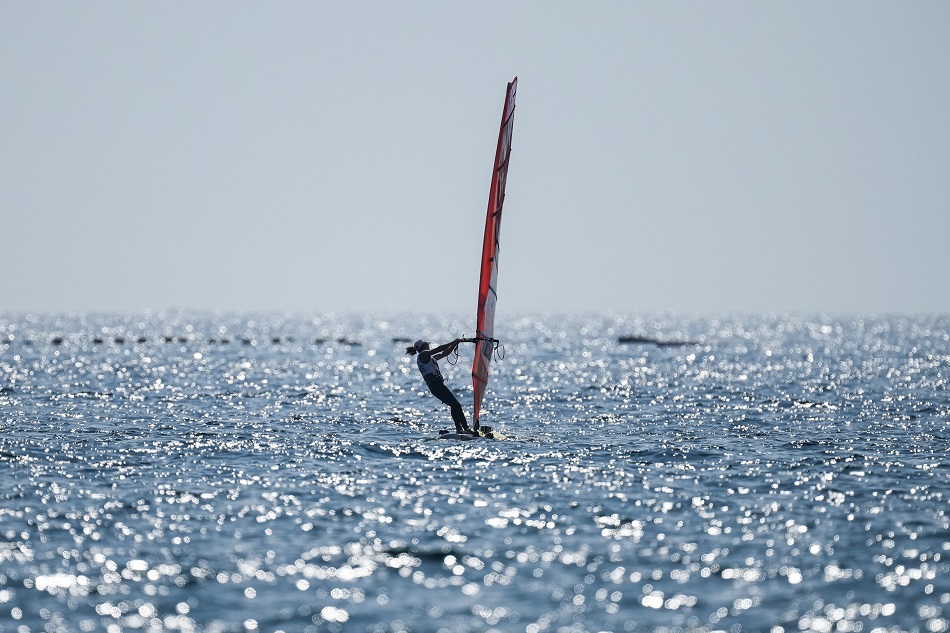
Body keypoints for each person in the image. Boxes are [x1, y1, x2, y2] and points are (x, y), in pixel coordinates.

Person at [406, 338, 473, 434]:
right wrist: (453, 341)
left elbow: (444, 353)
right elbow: (439, 349)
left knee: (454, 405)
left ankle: (461, 428)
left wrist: (455, 344)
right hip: (436, 385)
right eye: (427, 344)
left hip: (436, 385)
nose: (428, 345)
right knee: (455, 405)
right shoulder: (423, 355)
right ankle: (464, 429)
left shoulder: (428, 358)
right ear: (424, 346)